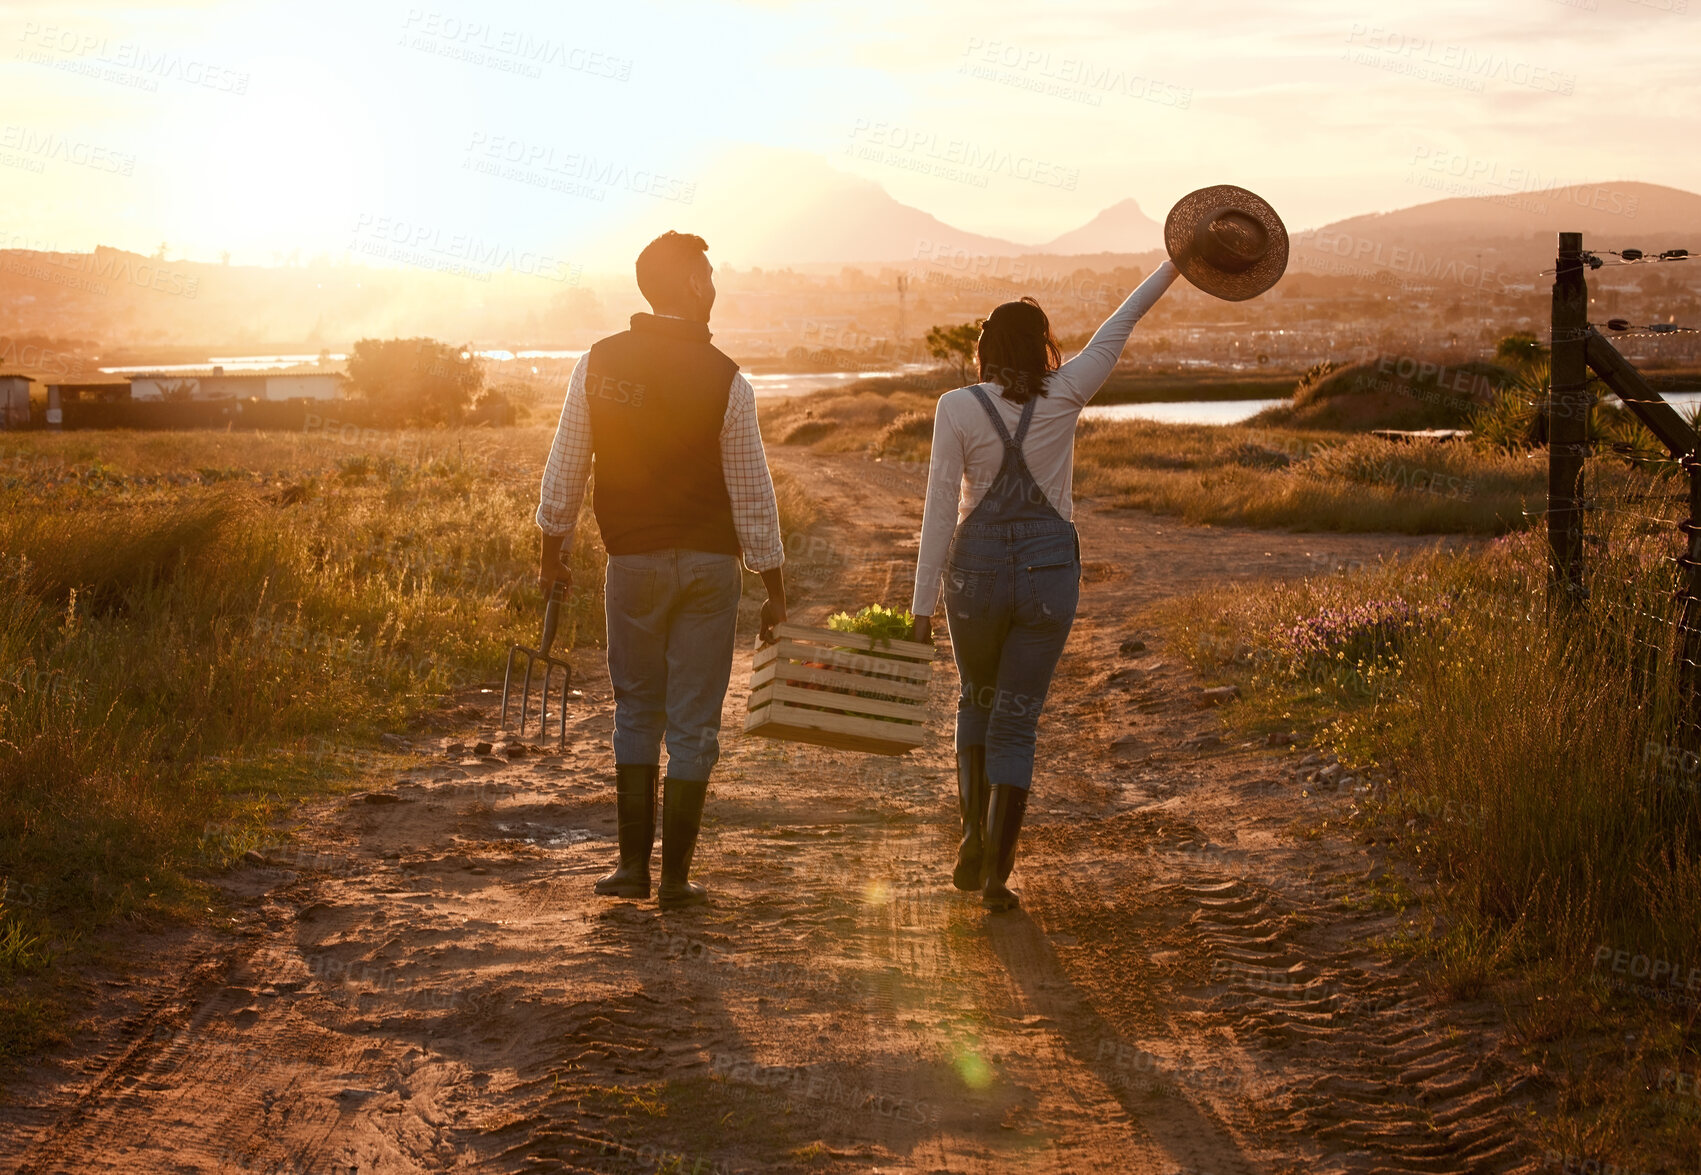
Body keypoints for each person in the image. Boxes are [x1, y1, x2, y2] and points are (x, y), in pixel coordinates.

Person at [912, 186, 1289, 912]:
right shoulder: (1067, 391)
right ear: (1044, 345)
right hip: (1048, 575)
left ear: (985, 350)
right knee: (1017, 718)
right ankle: (997, 874)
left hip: (975, 575)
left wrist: (920, 607)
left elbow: (935, 511)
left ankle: (969, 831)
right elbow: (1125, 319)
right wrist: (1178, 262)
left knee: (974, 702)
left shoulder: (956, 407)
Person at [536, 230, 787, 908]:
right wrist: (774, 590)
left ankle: (629, 869)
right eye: (706, 274)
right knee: (693, 723)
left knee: (636, 710)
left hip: (633, 564)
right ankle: (675, 877)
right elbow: (752, 495)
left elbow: (565, 469)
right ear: (685, 286)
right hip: (710, 568)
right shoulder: (725, 378)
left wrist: (550, 557)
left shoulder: (598, 362)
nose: (713, 285)